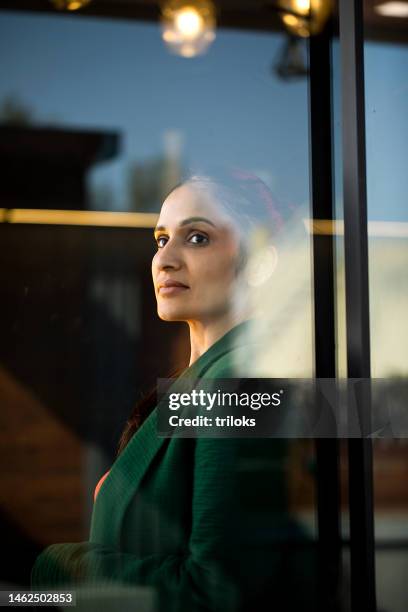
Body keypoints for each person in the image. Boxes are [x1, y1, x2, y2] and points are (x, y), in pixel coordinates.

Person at [31, 168, 316, 612]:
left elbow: (215, 595)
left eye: (197, 237)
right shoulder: (204, 381)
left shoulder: (236, 381)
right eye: (161, 239)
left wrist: (59, 567)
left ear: (261, 258)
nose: (164, 259)